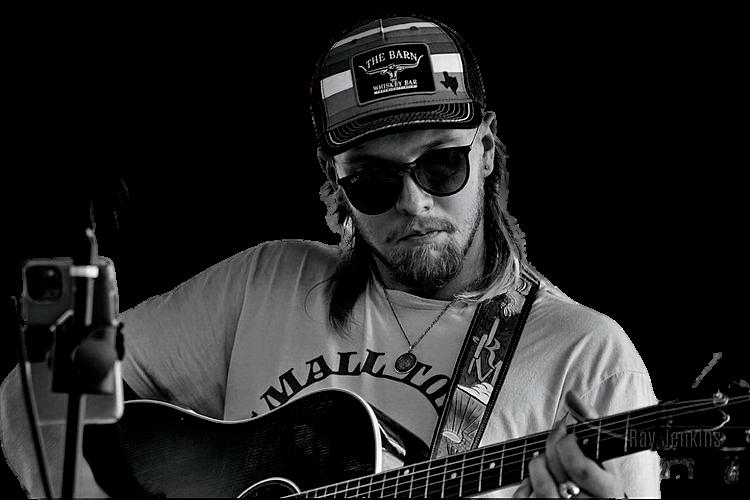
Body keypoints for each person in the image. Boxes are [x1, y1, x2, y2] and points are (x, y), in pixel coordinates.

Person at [1, 14, 661, 498]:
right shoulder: (264, 284)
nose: (414, 203)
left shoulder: (588, 359)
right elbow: (35, 393)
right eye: (373, 181)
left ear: (485, 149)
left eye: (440, 165)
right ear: (334, 181)